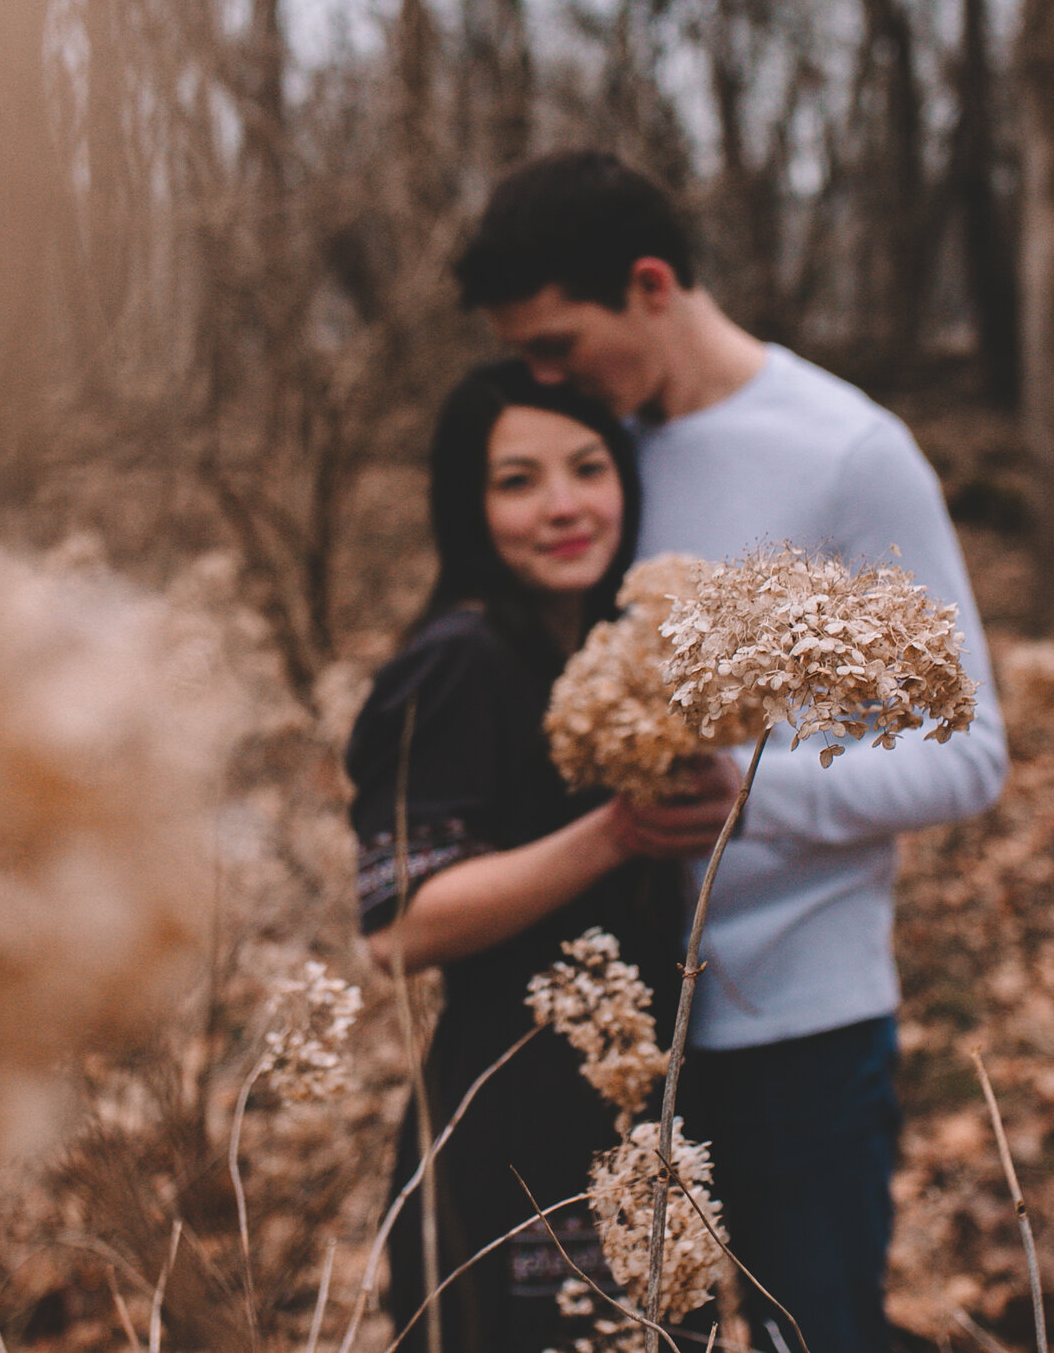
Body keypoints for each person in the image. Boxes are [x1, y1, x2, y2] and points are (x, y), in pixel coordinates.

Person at [453, 149, 1011, 1353]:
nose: (537, 379)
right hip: (617, 1021)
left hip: (801, 1022)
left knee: (819, 1333)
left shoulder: (850, 452)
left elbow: (971, 757)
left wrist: (747, 800)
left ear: (650, 284)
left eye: (556, 343)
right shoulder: (595, 456)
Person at [345, 359, 733, 1353]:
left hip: (635, 1120)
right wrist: (615, 831)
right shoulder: (457, 659)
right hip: (510, 1134)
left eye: (588, 467)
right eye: (516, 480)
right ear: (468, 506)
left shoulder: (613, 654)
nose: (563, 505)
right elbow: (398, 926)